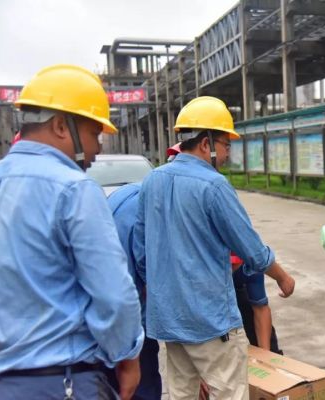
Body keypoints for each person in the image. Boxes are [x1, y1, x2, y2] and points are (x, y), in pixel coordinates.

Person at [0, 64, 144, 400]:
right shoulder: (74, 188)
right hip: (61, 383)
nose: (98, 148)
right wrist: (128, 357)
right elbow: (114, 295)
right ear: (60, 125)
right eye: (94, 133)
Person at [134, 96, 295, 400]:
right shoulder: (214, 185)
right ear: (206, 143)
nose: (227, 153)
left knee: (182, 394)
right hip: (210, 320)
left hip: (169, 318)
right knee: (230, 393)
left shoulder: (152, 180)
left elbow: (141, 252)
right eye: (225, 145)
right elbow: (252, 250)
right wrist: (282, 277)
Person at [105, 183, 163, 400]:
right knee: (140, 388)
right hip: (131, 323)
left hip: (101, 322)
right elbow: (150, 277)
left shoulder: (126, 194)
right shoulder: (155, 212)